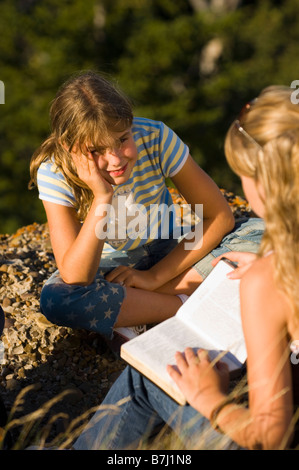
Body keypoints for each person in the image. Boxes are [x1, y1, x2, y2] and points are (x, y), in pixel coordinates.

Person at [73, 85, 299, 450]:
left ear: (266, 182)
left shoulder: (267, 281)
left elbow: (271, 438)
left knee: (148, 377)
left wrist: (211, 399)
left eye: (242, 173)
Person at [29, 70, 262, 340]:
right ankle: (185, 307)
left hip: (171, 252)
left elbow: (218, 217)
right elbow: (76, 275)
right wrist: (102, 197)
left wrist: (152, 278)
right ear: (70, 147)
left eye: (122, 140)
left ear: (131, 125)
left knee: (262, 234)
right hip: (108, 270)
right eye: (96, 151)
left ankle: (137, 309)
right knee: (59, 298)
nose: (115, 159)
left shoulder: (154, 135)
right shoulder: (54, 171)